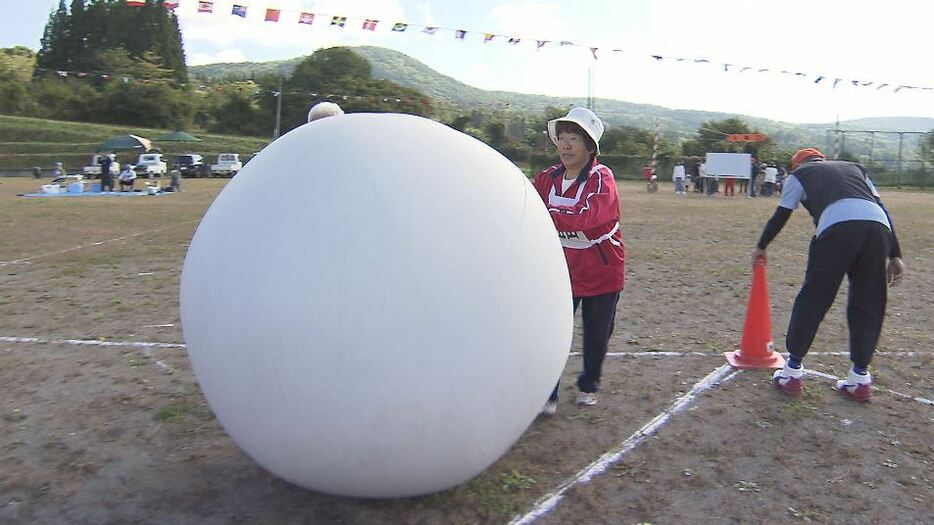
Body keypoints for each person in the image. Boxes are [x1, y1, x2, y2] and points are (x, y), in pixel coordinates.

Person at [754, 148, 905, 402]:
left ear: (796, 165)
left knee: (814, 297)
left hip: (837, 227)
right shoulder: (855, 168)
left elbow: (781, 215)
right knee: (869, 301)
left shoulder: (799, 175)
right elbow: (881, 207)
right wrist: (895, 254)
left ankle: (791, 373)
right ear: (823, 159)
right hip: (878, 228)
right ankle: (860, 378)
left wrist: (761, 246)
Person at [532, 107, 626, 415]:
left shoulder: (602, 179)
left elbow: (585, 217)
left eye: (574, 138)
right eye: (561, 138)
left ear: (589, 146)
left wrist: (545, 216)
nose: (566, 145)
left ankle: (589, 383)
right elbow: (525, 198)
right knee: (551, 332)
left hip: (602, 271)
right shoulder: (547, 179)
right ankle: (548, 392)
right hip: (561, 271)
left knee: (597, 335)